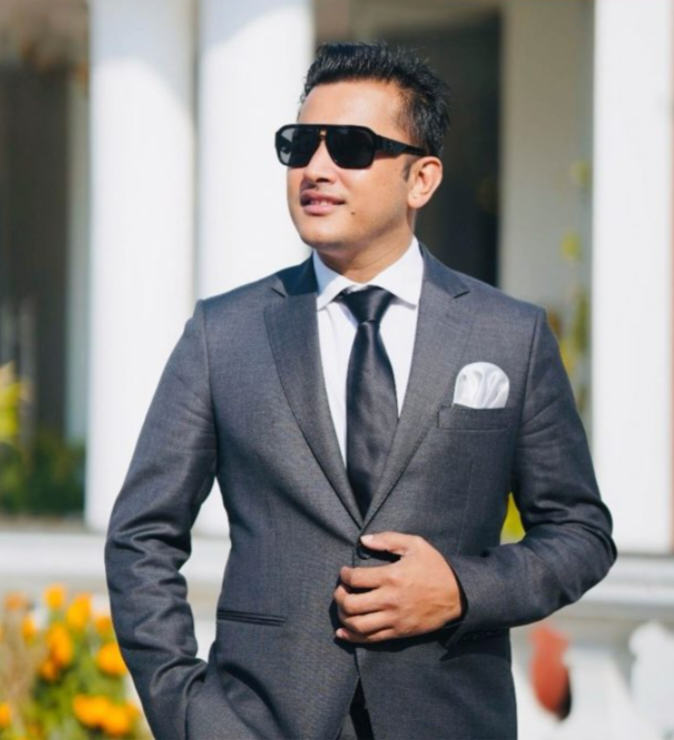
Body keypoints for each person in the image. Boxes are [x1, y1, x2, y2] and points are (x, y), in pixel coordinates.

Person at [105, 42, 616, 740]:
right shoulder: (223, 335)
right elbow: (142, 536)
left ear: (421, 179)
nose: (316, 168)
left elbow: (580, 534)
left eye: (349, 146)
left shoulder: (509, 335)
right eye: (300, 145)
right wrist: (192, 715)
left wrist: (462, 589)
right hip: (261, 721)